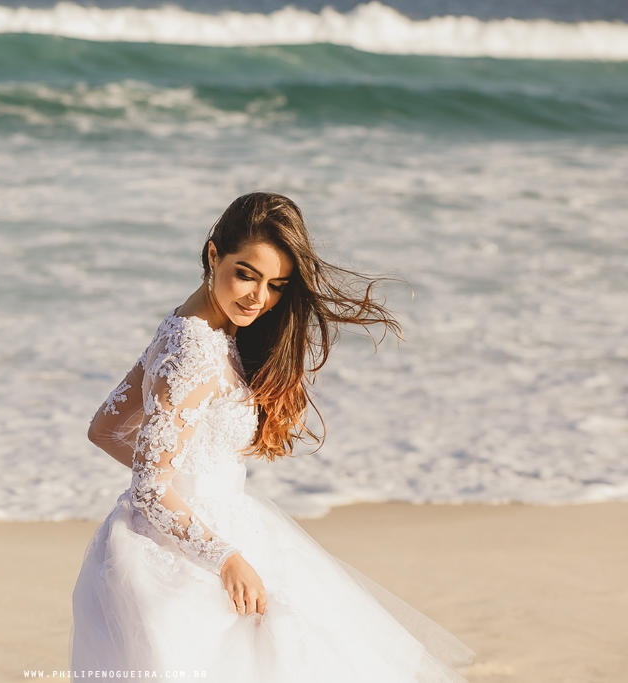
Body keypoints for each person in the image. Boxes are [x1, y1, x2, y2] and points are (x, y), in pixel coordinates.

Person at [70, 192, 474, 681]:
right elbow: (150, 487)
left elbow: (105, 429)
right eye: (246, 274)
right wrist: (225, 558)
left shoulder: (183, 324)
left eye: (276, 285)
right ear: (214, 254)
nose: (258, 298)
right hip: (196, 556)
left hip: (187, 529)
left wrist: (178, 475)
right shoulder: (194, 352)